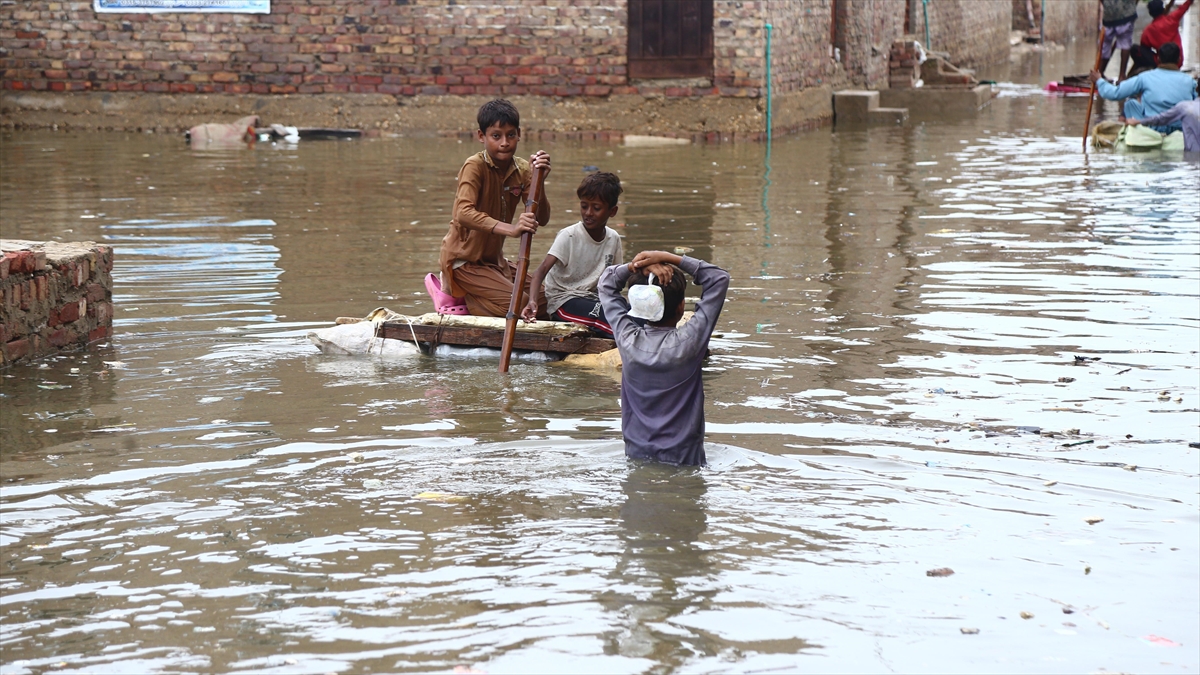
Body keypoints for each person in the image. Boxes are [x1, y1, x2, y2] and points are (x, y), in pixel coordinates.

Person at [598, 251, 730, 467]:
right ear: (681, 307)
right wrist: (670, 257)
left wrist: (634, 267)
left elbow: (606, 283)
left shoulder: (628, 340)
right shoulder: (690, 342)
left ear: (639, 308)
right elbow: (719, 278)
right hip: (685, 460)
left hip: (637, 457)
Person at [436, 99, 551, 317]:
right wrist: (512, 229)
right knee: (521, 303)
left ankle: (480, 294)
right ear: (482, 136)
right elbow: (463, 213)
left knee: (544, 300)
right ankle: (468, 301)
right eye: (496, 136)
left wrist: (539, 181)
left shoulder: (524, 169)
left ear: (519, 134)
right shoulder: (474, 166)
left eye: (510, 135)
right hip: (464, 263)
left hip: (494, 261)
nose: (505, 142)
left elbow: (542, 218)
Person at [520, 172, 624, 335]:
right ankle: (638, 345)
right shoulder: (569, 235)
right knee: (607, 317)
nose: (588, 213)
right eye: (584, 206)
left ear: (612, 211)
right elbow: (540, 271)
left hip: (594, 300)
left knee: (627, 312)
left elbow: (615, 278)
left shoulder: (613, 239)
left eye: (596, 208)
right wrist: (532, 301)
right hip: (564, 301)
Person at [1091, 43, 1197, 131]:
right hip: (1180, 128)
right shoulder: (1190, 81)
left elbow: (1114, 93)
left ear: (1158, 59)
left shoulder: (1145, 78)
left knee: (1130, 104)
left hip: (1152, 127)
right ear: (1179, 60)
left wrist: (1099, 81)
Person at [1128, 98, 1200, 150]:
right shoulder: (1186, 107)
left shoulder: (1185, 107)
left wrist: (1139, 121)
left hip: (1192, 158)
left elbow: (1162, 119)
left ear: (1197, 89)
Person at [1099, 0, 1138, 81]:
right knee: (1125, 43)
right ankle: (1122, 76)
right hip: (1126, 14)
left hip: (1109, 15)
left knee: (1105, 44)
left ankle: (1100, 73)